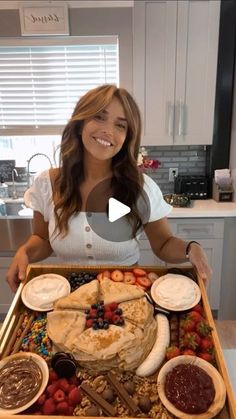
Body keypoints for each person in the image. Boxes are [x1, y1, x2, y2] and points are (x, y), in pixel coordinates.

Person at [6, 84, 212, 292]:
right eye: (99, 117)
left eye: (120, 126)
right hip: (68, 299)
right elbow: (42, 239)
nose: (108, 131)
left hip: (126, 301)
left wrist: (190, 248)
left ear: (127, 137)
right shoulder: (47, 184)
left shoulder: (141, 188)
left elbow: (163, 243)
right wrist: (24, 252)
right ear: (80, 123)